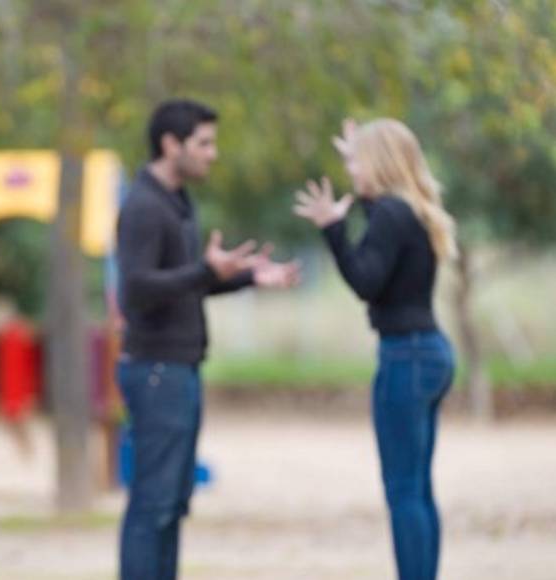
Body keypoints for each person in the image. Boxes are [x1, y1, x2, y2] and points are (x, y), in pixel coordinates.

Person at [115, 98, 300, 580]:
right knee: (152, 504)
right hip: (156, 369)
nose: (212, 154)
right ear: (170, 144)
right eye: (204, 143)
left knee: (173, 503)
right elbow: (135, 289)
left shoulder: (177, 201)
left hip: (181, 366)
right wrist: (204, 270)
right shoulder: (142, 206)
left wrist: (249, 278)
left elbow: (187, 282)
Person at [294, 118, 457, 580]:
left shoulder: (390, 214)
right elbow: (380, 246)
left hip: (405, 355)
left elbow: (366, 280)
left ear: (378, 164)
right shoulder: (410, 211)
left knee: (403, 491)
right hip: (431, 351)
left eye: (356, 162)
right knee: (419, 489)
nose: (350, 172)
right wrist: (356, 157)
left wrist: (332, 229)